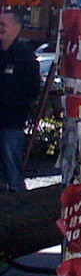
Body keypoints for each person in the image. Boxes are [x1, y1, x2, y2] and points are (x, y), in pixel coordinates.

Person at [0, 10, 40, 191]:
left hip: (11, 119)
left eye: (3, 25)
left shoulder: (24, 55)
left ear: (16, 29)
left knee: (11, 165)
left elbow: (32, 89)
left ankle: (19, 199)